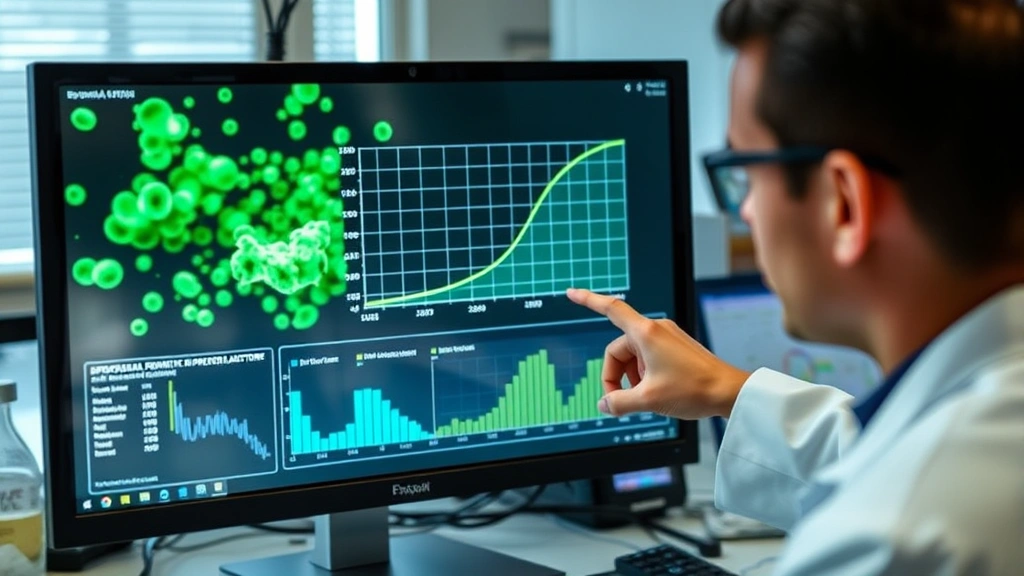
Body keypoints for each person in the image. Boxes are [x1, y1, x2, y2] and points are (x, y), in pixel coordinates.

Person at [568, 0, 1024, 574]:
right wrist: (727, 390)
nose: (748, 211)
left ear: (844, 204)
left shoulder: (892, 539)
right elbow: (892, 449)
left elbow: (903, 480)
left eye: (746, 173)